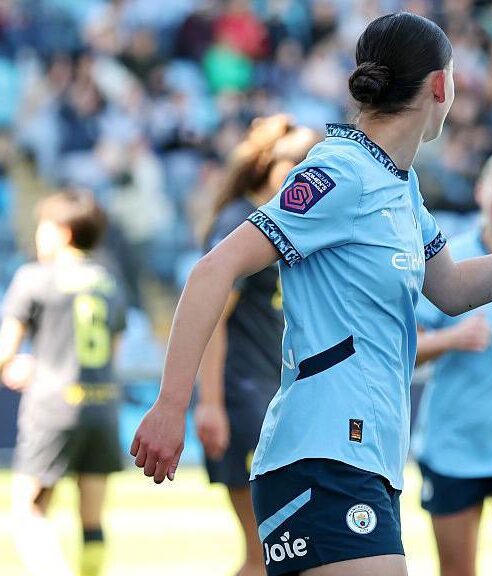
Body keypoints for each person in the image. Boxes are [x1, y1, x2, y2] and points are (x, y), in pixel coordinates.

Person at [130, 12, 492, 576]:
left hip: (370, 459)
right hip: (319, 454)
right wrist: (172, 408)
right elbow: (212, 269)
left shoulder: (399, 184)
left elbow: (455, 289)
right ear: (441, 84)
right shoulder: (342, 171)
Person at [194, 115, 322, 576]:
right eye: (299, 161)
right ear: (270, 163)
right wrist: (209, 403)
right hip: (242, 393)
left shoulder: (287, 222)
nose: (310, 171)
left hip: (270, 390)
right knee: (267, 551)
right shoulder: (240, 223)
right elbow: (211, 321)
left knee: (280, 552)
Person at [412, 147, 492, 576]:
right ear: (480, 191)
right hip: (452, 447)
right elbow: (405, 351)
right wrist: (453, 338)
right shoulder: (449, 260)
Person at [0, 191, 128, 576]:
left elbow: (5, 351)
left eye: (44, 227)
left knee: (27, 512)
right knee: (92, 522)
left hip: (53, 407)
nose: (38, 236)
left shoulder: (34, 277)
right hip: (103, 407)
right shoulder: (109, 281)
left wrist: (26, 366)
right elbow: (112, 353)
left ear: (64, 232)